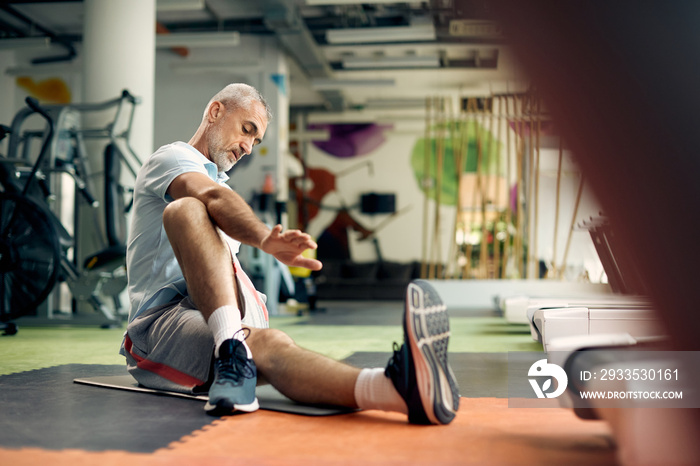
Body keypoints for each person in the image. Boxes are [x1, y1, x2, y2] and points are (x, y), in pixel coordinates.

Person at [120, 83, 460, 425]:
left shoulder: (223, 187)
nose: (248, 147)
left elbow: (218, 200)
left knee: (270, 341)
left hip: (229, 309)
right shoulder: (172, 158)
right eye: (247, 130)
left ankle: (231, 349)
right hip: (161, 323)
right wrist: (265, 239)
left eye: (256, 141)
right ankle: (396, 390)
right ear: (215, 111)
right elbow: (210, 198)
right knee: (186, 211)